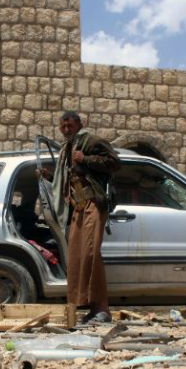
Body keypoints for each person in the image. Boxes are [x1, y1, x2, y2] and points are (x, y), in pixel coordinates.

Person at [39, 111, 120, 323]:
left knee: (91, 254)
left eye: (70, 125)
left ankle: (102, 309)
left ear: (79, 125)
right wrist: (50, 177)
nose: (67, 129)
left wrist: (86, 159)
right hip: (78, 207)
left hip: (93, 202)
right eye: (63, 126)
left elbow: (114, 163)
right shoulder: (67, 148)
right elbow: (69, 177)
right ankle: (90, 308)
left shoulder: (90, 141)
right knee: (76, 256)